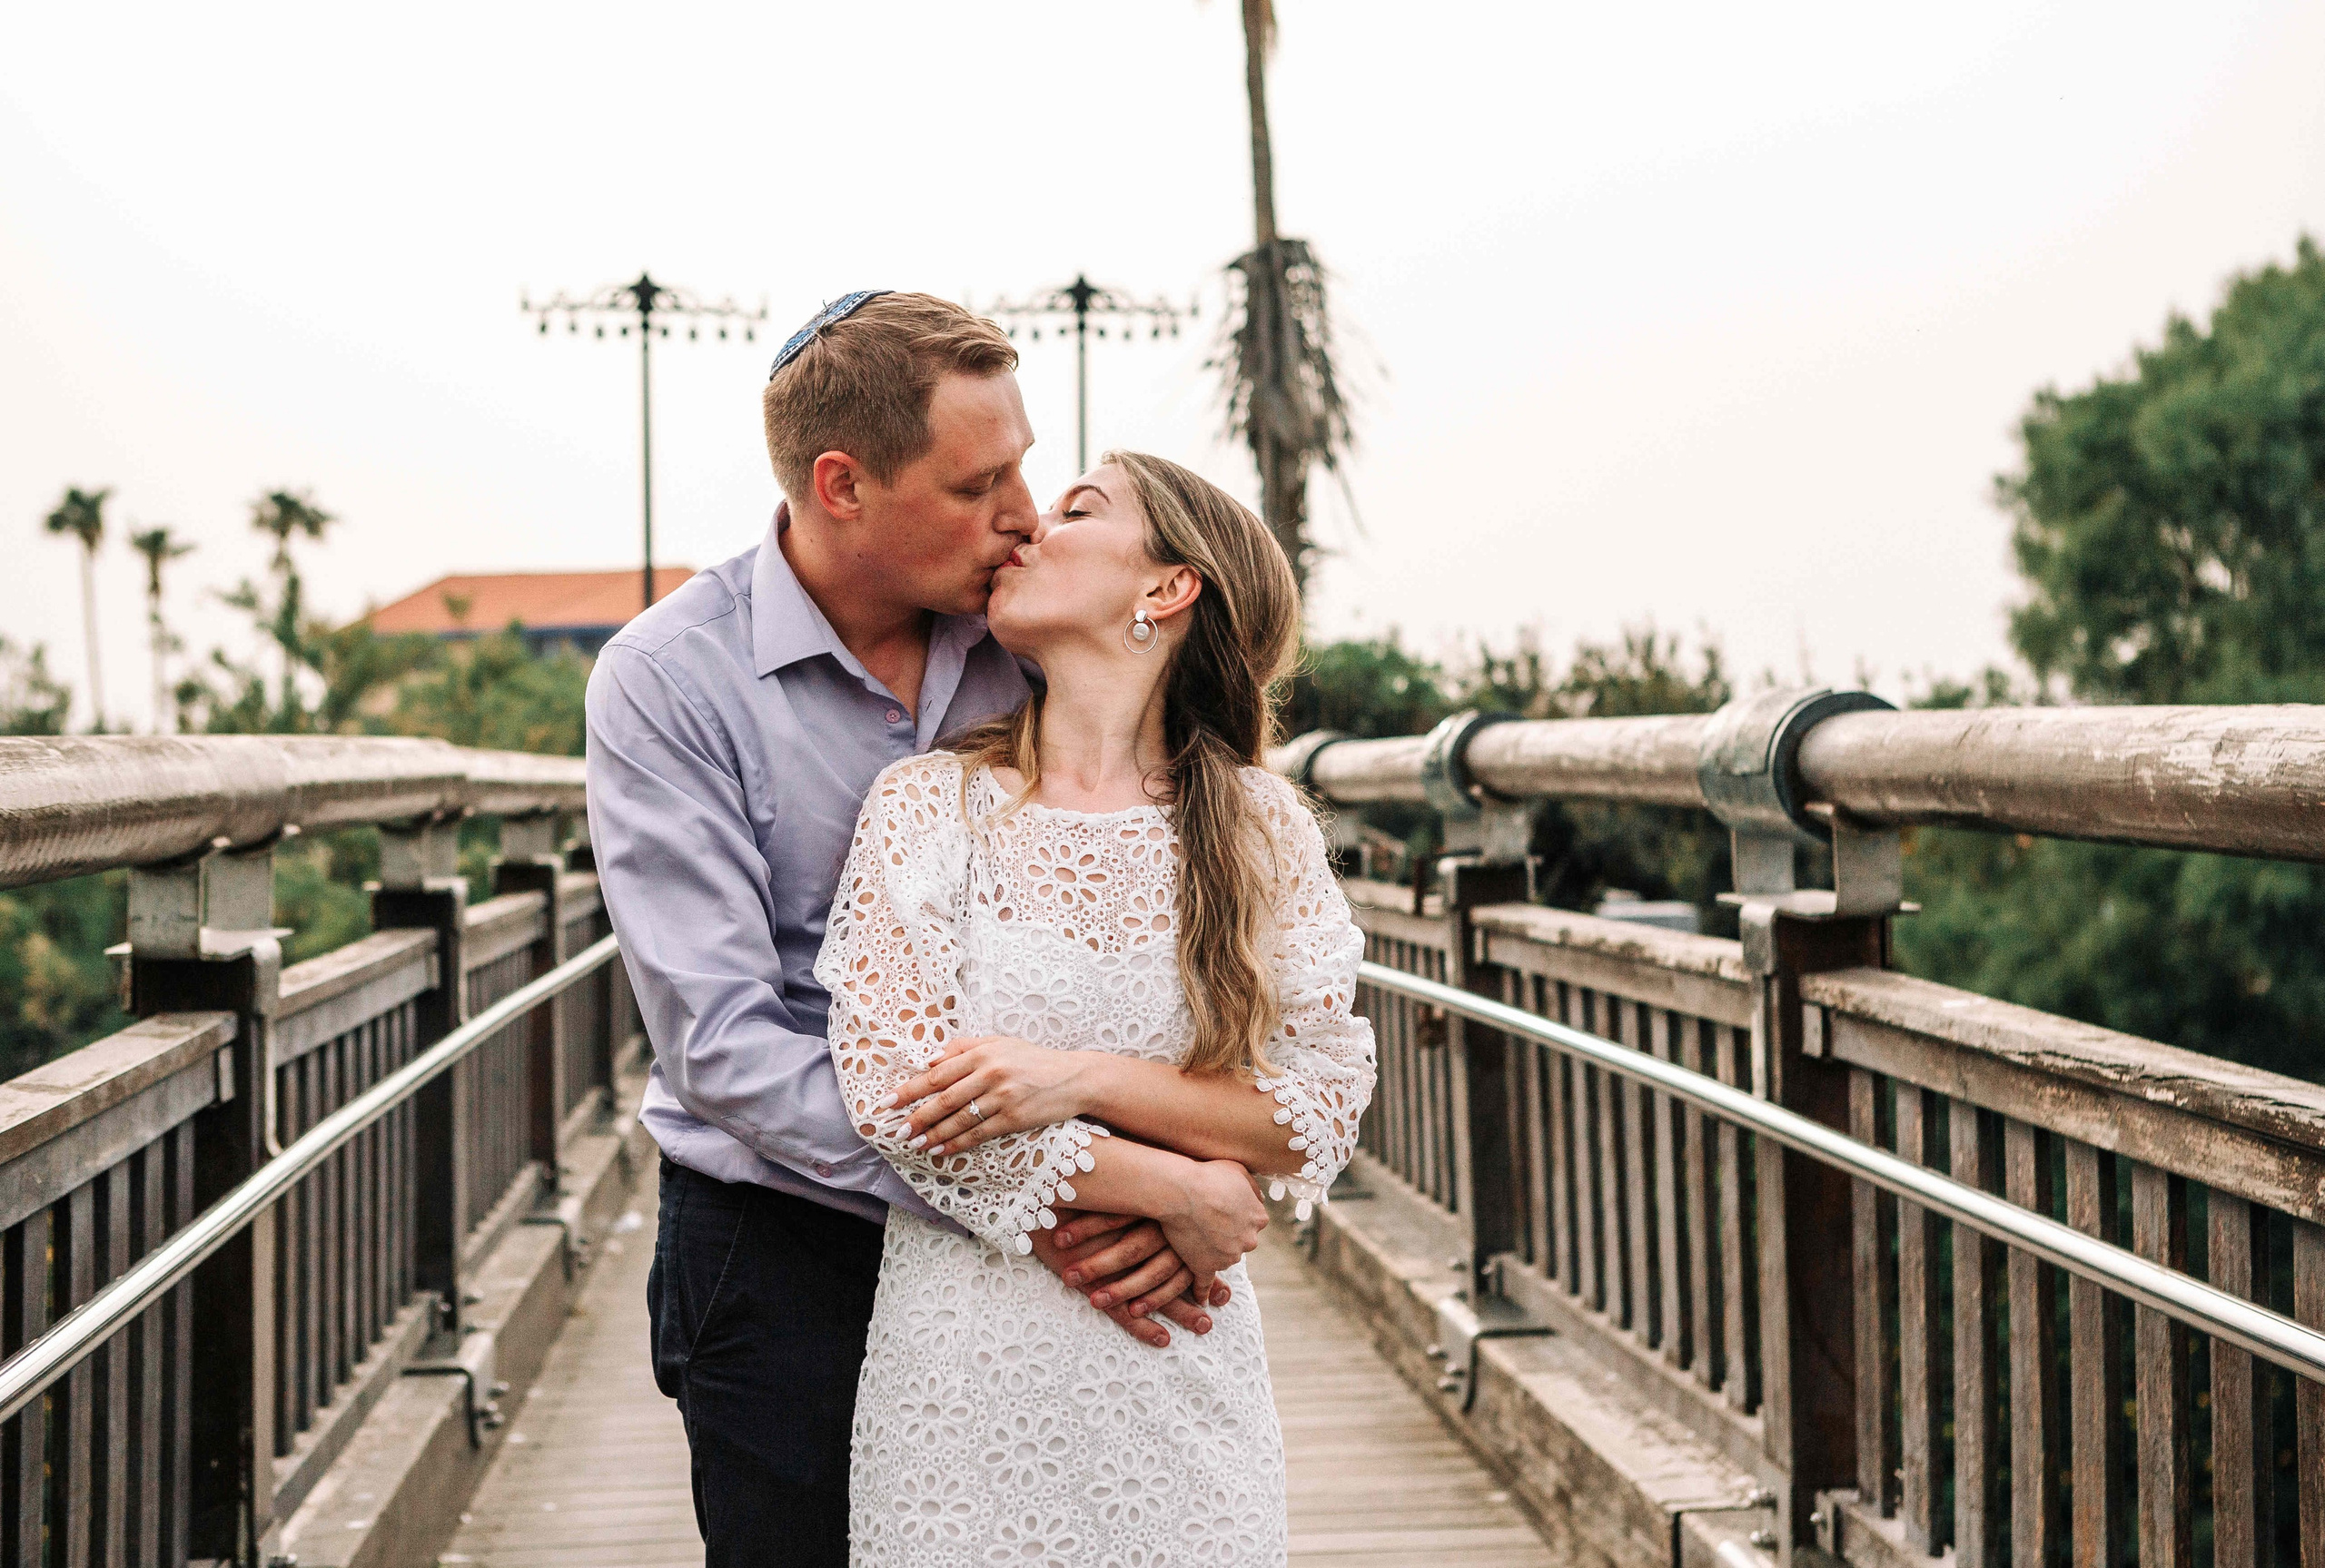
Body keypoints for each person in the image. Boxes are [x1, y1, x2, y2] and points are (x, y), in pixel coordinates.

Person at [585, 294, 1250, 1568]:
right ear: (843, 484)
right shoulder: (668, 681)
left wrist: (1141, 1173)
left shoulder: (1037, 636)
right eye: (979, 480)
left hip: (1065, 1248)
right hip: (786, 1246)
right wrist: (1045, 1191)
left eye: (1025, 464)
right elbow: (722, 1043)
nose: (1023, 509)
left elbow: (1187, 889)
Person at [819, 450, 1378, 1563]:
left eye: (1080, 510)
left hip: (1179, 1367)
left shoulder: (1263, 828)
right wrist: (1179, 1184)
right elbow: (892, 1093)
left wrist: (1073, 1081)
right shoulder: (928, 803)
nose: (1027, 525)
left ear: (1166, 589)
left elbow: (1317, 1105)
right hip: (963, 1375)